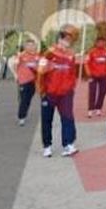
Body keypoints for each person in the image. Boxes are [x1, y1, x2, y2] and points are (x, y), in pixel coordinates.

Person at [37, 26, 80, 157]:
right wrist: (42, 91)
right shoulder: (48, 53)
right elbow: (40, 72)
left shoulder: (71, 55)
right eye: (65, 38)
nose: (67, 41)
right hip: (49, 93)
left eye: (69, 39)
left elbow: (73, 73)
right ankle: (47, 146)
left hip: (65, 94)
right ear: (60, 39)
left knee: (68, 118)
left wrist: (71, 87)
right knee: (47, 120)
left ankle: (68, 144)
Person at [15, 41, 41, 126]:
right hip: (23, 81)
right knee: (24, 99)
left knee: (28, 99)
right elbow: (15, 65)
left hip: (33, 81)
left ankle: (23, 111)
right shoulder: (21, 55)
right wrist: (17, 75)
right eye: (28, 45)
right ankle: (21, 117)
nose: (30, 47)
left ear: (35, 46)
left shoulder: (38, 56)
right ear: (25, 47)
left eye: (32, 45)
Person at [84, 37, 106, 118]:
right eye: (99, 42)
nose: (101, 44)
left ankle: (98, 108)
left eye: (103, 42)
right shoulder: (91, 52)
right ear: (96, 43)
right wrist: (88, 72)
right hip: (93, 76)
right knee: (92, 92)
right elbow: (86, 63)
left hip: (104, 76)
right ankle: (90, 110)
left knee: (102, 92)